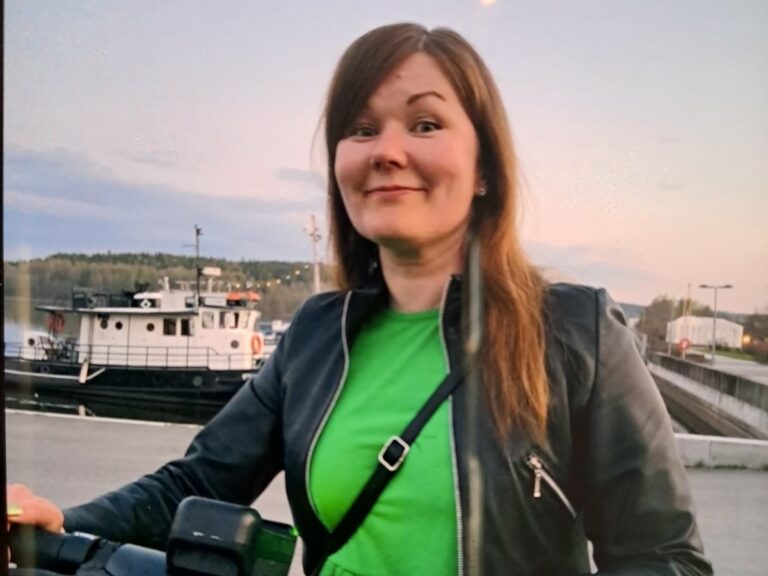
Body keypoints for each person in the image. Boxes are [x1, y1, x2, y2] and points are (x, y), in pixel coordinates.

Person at [8, 23, 712, 575]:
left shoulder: (577, 332)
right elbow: (197, 482)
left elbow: (664, 558)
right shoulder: (317, 335)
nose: (387, 150)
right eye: (362, 127)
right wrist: (61, 522)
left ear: (485, 170)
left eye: (425, 124)